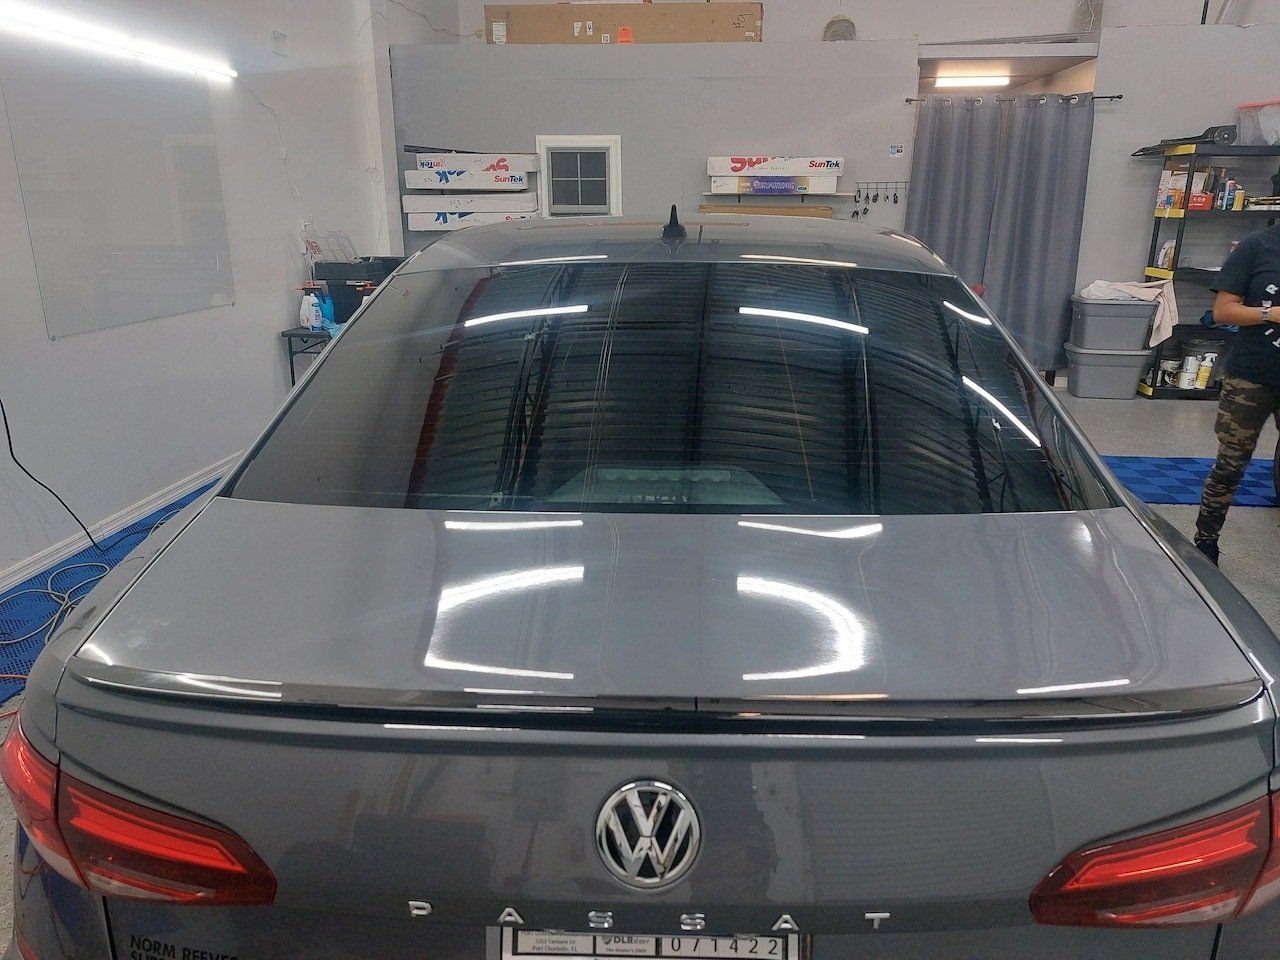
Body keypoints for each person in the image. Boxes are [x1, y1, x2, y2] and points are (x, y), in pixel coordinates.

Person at [1195, 222, 1280, 565]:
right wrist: (1269, 314)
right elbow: (1222, 311)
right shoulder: (1257, 246)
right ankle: (1205, 543)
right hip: (1250, 377)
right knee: (1231, 464)